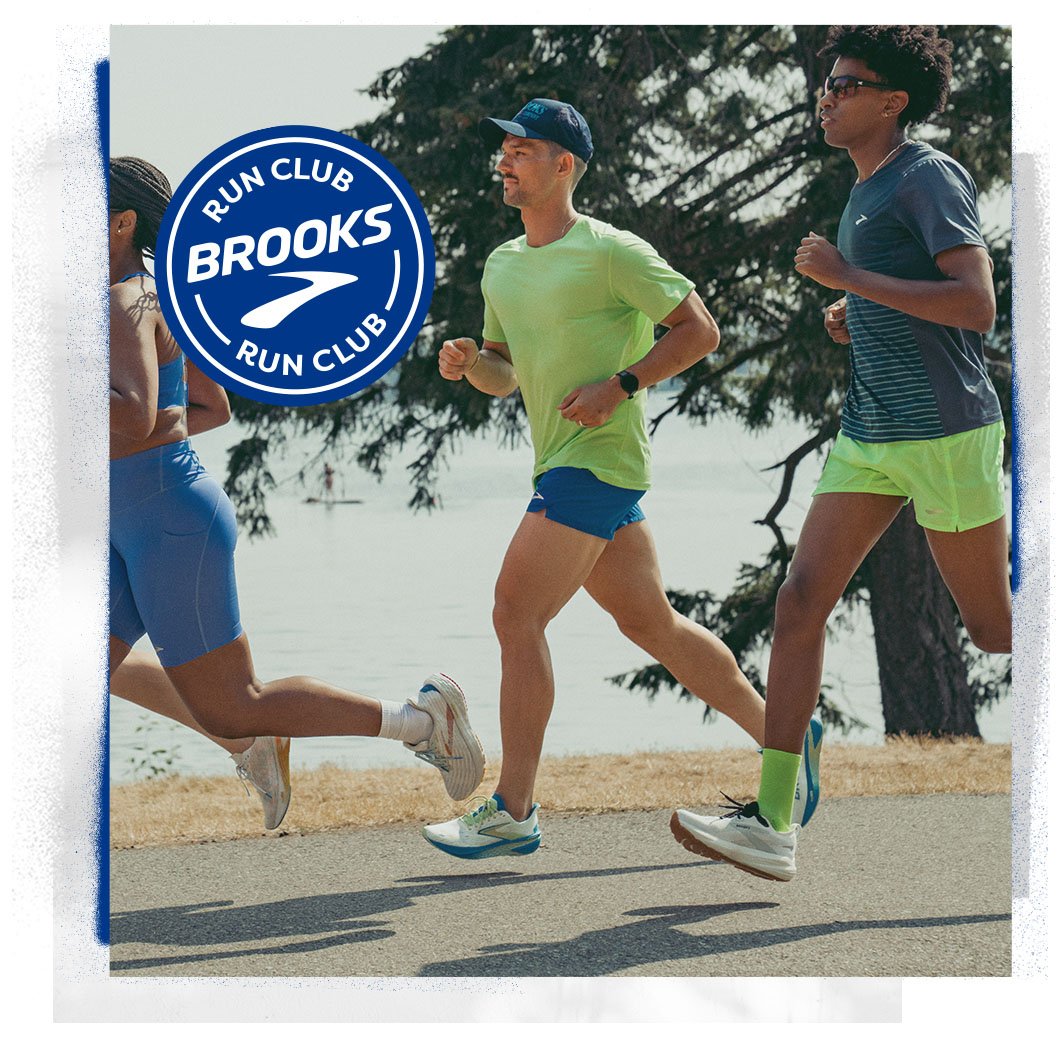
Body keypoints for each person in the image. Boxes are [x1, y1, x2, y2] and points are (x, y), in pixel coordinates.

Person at [422, 100, 820, 860]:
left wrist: (622, 385)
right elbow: (506, 375)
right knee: (652, 625)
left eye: (524, 150)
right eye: (503, 149)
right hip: (562, 459)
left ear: (564, 165)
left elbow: (698, 329)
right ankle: (785, 736)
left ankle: (513, 809)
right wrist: (474, 362)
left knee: (515, 614)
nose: (504, 161)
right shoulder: (503, 264)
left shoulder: (612, 251)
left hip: (597, 460)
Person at [671, 26, 1011, 882]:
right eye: (827, 83)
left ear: (892, 102)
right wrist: (860, 318)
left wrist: (851, 282)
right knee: (799, 602)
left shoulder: (926, 175)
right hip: (871, 433)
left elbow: (975, 306)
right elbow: (919, 301)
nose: (827, 96)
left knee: (996, 628)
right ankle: (773, 822)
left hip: (944, 432)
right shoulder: (863, 190)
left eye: (848, 85)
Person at [108, 156, 485, 827]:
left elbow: (130, 412)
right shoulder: (147, 296)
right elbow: (208, 407)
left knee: (237, 701)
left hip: (168, 524)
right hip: (136, 516)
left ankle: (422, 723)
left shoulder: (123, 300)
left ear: (120, 222)